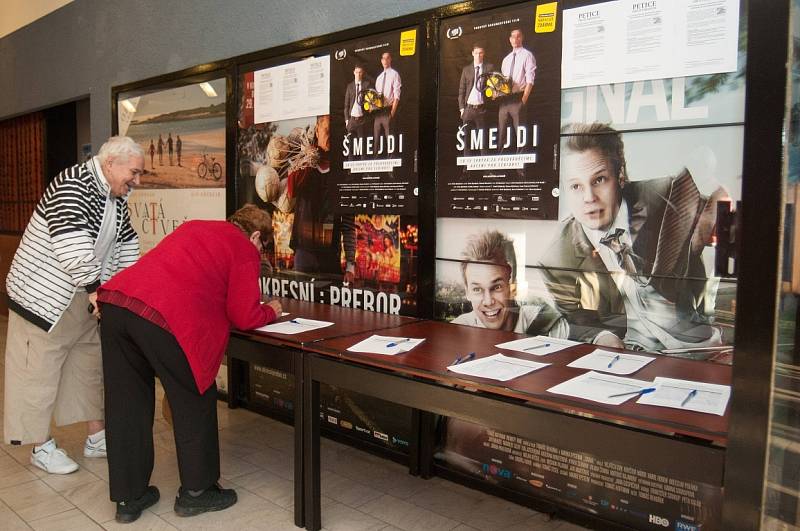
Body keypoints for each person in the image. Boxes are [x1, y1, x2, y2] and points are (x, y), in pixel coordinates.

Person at [96, 204, 282, 523]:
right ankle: (198, 492)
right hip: (163, 318)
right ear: (255, 236)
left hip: (116, 304)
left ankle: (129, 498)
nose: (260, 253)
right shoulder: (243, 247)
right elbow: (244, 315)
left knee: (126, 404)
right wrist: (272, 311)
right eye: (262, 246)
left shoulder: (196, 227)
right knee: (193, 396)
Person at [3, 136, 143, 474]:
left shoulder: (115, 196)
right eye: (134, 173)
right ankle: (40, 446)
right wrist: (97, 290)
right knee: (37, 372)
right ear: (111, 163)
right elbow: (72, 246)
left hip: (83, 297)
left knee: (87, 366)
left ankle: (96, 438)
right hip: (42, 298)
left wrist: (125, 290)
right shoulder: (72, 185)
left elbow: (127, 244)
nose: (137, 181)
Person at [538, 122, 728, 354]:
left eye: (599, 180)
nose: (589, 197)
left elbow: (721, 198)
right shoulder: (556, 258)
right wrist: (603, 338)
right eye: (575, 186)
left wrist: (701, 230)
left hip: (702, 345)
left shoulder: (665, 196)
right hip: (629, 356)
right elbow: (580, 323)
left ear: (620, 175)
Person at [451, 230, 567, 337]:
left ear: (513, 287)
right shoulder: (456, 332)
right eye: (477, 289)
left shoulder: (552, 328)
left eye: (497, 287)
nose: (488, 302)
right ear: (467, 292)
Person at [290, 115, 356, 281]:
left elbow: (348, 225)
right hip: (303, 254)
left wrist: (350, 265)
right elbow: (291, 190)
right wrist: (309, 158)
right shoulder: (305, 165)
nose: (331, 137)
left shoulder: (343, 173)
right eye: (327, 130)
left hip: (330, 257)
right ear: (317, 130)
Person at [498, 28, 536, 153]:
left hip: (518, 99)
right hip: (504, 101)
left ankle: (521, 170)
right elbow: (502, 82)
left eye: (518, 36)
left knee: (520, 134)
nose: (515, 39)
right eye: (513, 37)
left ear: (522, 38)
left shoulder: (527, 55)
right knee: (502, 134)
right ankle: (500, 167)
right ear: (510, 40)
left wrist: (523, 100)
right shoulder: (506, 59)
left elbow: (530, 80)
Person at [458, 43, 494, 156]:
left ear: (484, 54)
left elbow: (493, 87)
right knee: (466, 140)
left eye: (481, 53)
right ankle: (466, 170)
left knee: (483, 140)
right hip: (468, 109)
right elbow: (461, 90)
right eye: (476, 53)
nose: (478, 55)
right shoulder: (466, 70)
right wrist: (462, 109)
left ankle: (486, 170)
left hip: (481, 109)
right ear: (473, 53)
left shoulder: (489, 68)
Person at [373, 52, 401, 146]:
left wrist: (392, 112)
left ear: (390, 59)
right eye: (383, 58)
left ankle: (391, 158)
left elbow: (397, 95)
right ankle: (375, 160)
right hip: (378, 113)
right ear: (381, 61)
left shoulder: (395, 74)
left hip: (388, 110)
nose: (385, 60)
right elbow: (376, 96)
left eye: (387, 58)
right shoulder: (379, 78)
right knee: (376, 141)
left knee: (390, 141)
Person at [344, 64, 371, 140]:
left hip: (362, 120)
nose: (358, 74)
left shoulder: (367, 85)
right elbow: (346, 105)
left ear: (362, 73)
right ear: (354, 72)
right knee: (350, 145)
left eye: (360, 72)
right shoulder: (350, 86)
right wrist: (347, 121)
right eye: (356, 72)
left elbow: (369, 102)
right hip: (351, 121)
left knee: (361, 145)